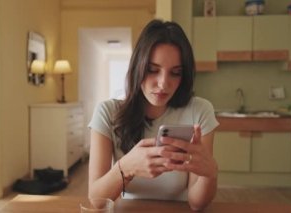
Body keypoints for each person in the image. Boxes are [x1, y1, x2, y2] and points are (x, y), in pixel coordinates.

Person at [87, 19, 219, 211]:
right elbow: (97, 201)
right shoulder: (107, 113)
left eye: (175, 73)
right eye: (152, 70)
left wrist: (210, 173)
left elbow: (197, 203)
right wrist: (126, 167)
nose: (163, 83)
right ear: (137, 67)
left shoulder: (199, 111)